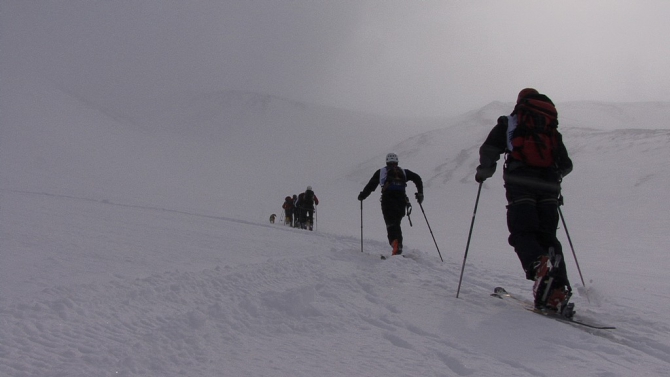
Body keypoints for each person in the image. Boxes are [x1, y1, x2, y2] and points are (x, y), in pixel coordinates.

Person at [475, 88, 574, 313]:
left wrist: (484, 172)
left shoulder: (510, 123)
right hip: (549, 188)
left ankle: (538, 265)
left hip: (521, 185)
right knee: (549, 237)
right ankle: (557, 291)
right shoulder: (551, 129)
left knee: (523, 232)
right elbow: (566, 164)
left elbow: (490, 149)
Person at [358, 153, 424, 256]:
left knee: (390, 223)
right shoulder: (403, 171)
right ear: (397, 162)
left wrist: (363, 195)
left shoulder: (381, 172)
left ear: (386, 162)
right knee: (397, 223)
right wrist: (420, 193)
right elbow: (417, 178)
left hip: (388, 199)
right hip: (402, 200)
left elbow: (371, 185)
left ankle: (396, 245)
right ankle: (398, 246)